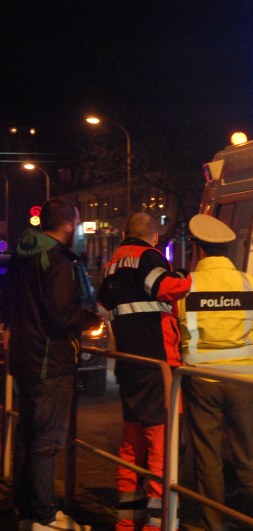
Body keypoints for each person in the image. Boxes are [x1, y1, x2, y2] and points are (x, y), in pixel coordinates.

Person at [4, 198, 102, 531]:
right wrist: (91, 320)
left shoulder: (23, 255)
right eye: (77, 222)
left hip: (26, 358)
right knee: (47, 442)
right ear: (68, 225)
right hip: (51, 361)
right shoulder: (57, 261)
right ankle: (44, 516)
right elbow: (62, 313)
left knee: (28, 437)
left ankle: (27, 510)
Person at [176, 214, 253, 530]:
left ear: (199, 250)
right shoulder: (250, 285)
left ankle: (213, 521)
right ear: (227, 251)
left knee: (207, 455)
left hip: (201, 381)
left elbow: (180, 332)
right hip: (242, 381)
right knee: (250, 453)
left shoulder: (187, 286)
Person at [98, 212, 192, 531]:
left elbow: (104, 303)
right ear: (154, 237)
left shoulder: (112, 264)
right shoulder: (149, 257)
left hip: (128, 364)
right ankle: (156, 522)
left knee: (132, 443)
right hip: (156, 364)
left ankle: (127, 522)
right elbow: (163, 287)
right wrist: (187, 278)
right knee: (160, 445)